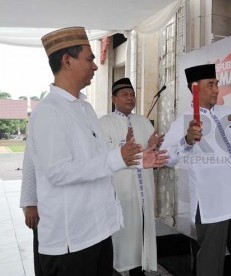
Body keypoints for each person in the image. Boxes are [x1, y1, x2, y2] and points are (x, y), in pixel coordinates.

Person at [23, 26, 167, 276]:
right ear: (67, 61)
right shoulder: (49, 112)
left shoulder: (86, 109)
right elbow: (58, 172)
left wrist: (138, 159)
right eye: (89, 59)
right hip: (72, 241)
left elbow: (100, 159)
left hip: (100, 231)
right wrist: (30, 203)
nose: (95, 66)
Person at [160, 64, 231, 276]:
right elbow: (166, 158)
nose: (216, 89)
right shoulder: (183, 122)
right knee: (210, 266)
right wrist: (187, 140)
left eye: (217, 84)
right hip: (212, 205)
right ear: (195, 88)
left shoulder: (229, 113)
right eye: (211, 84)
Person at [99, 78, 162, 275]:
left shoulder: (142, 121)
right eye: (125, 94)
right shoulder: (104, 123)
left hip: (143, 195)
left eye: (133, 94)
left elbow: (152, 149)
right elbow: (101, 157)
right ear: (114, 98)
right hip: (121, 194)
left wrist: (157, 145)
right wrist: (121, 147)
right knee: (122, 238)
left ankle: (139, 269)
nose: (130, 98)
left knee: (141, 236)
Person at [19, 150, 44, 276]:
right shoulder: (39, 130)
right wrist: (30, 204)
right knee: (42, 251)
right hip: (42, 206)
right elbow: (29, 165)